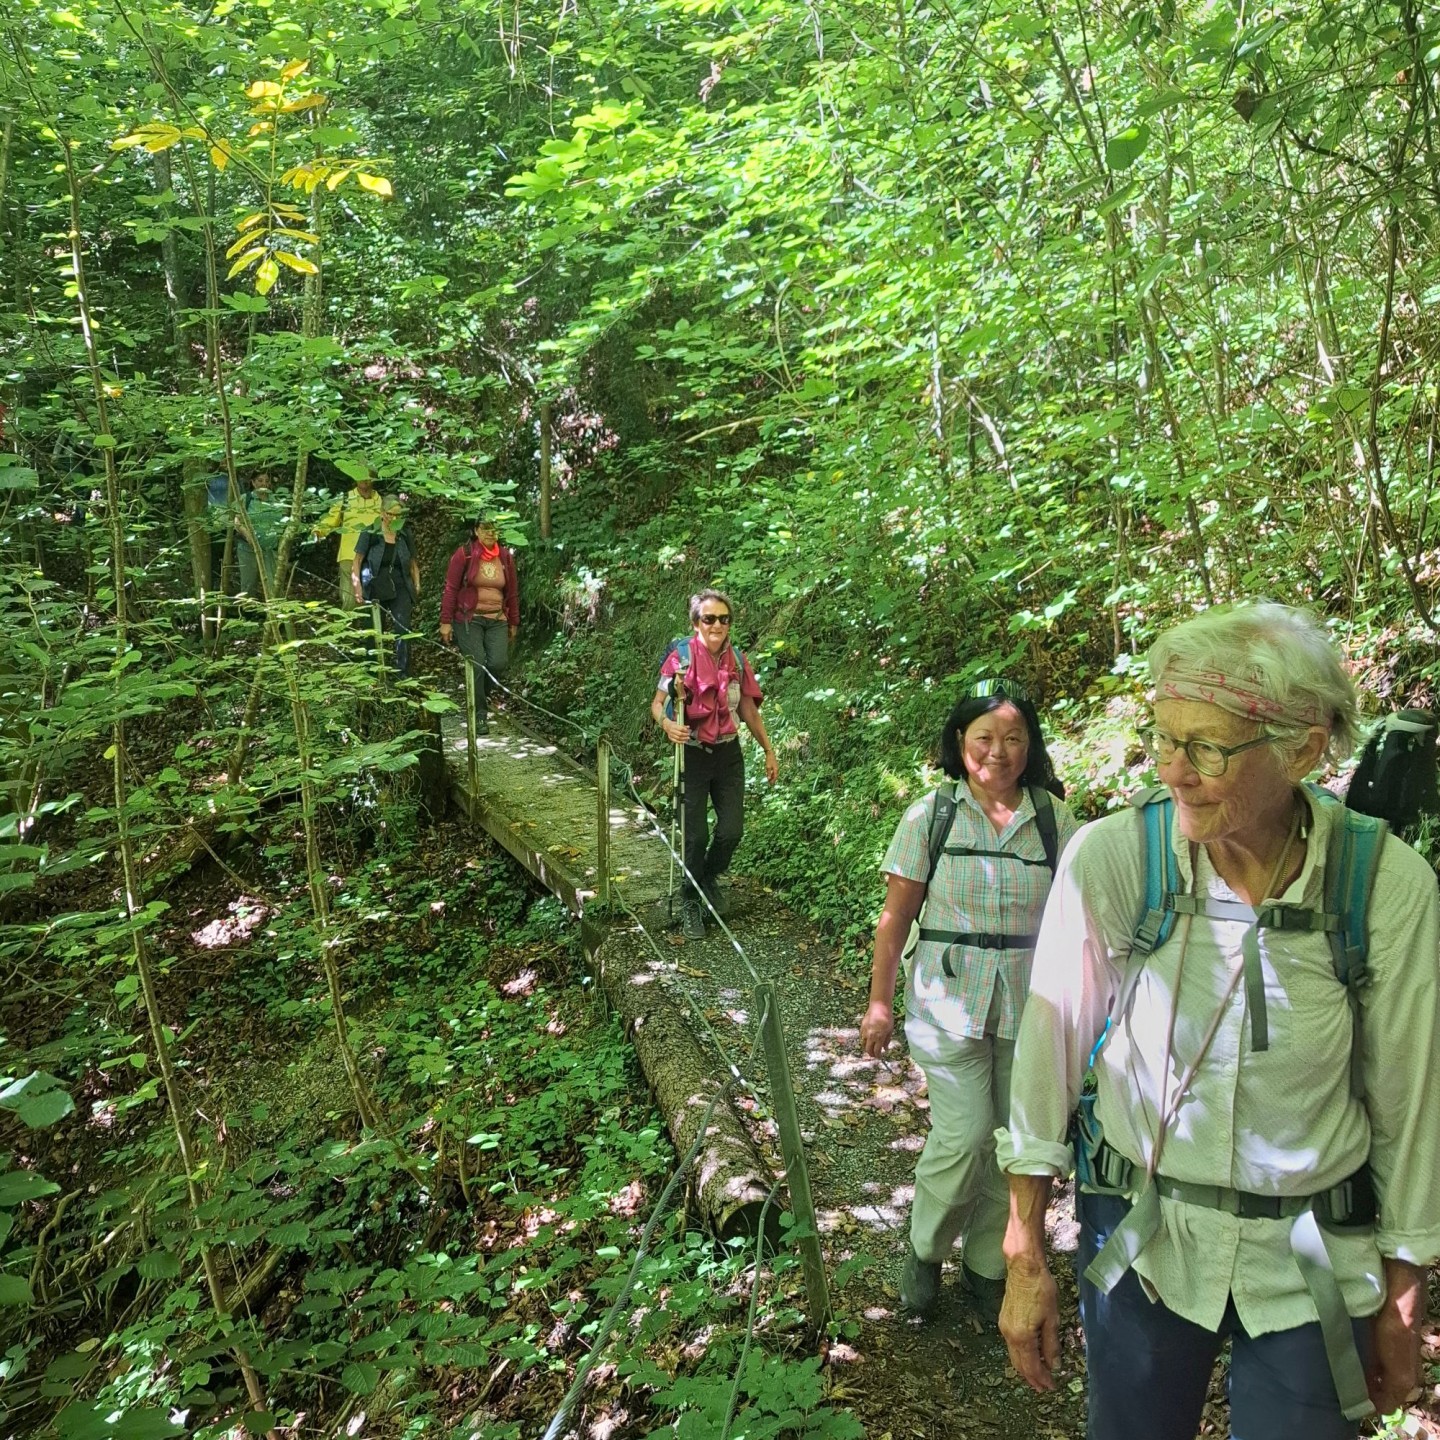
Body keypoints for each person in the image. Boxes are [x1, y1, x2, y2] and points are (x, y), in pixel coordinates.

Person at [997, 603, 1440, 1440]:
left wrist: (1403, 1290)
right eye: (1163, 739)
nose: (1172, 770)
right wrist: (1025, 1249)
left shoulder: (1386, 887)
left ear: (1303, 749)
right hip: (1145, 1242)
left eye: (1205, 748)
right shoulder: (1119, 857)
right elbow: (1045, 1057)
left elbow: (1413, 1101)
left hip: (1314, 1261)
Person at [860, 682, 1079, 1322]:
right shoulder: (932, 815)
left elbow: (1082, 921)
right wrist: (879, 1003)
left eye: (1013, 738)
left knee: (1012, 1142)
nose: (998, 751)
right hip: (944, 1000)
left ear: (1030, 746)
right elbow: (895, 919)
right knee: (966, 1135)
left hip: (1029, 1007)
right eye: (984, 737)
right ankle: (925, 1251)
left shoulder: (1053, 821)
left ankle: (986, 1266)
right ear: (961, 743)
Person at [651, 589, 778, 940]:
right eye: (709, 619)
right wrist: (667, 725)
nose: (717, 625)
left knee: (731, 831)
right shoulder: (681, 658)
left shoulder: (736, 658)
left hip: (728, 754)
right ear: (696, 623)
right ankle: (690, 899)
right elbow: (658, 704)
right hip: (691, 753)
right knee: (695, 836)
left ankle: (707, 876)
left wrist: (768, 749)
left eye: (724, 619)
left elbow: (748, 709)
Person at [439, 516, 519, 734]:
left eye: (494, 529)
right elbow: (451, 588)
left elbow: (511, 592)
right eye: (485, 528)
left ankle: (479, 695)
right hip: (468, 618)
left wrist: (514, 621)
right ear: (476, 530)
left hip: (497, 619)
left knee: (497, 663)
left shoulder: (504, 557)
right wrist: (445, 621)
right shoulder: (464, 554)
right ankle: (479, 715)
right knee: (478, 663)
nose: (490, 533)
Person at [352, 498, 421, 676]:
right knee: (375, 628)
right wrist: (357, 586)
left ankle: (403, 673)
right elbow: (357, 560)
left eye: (397, 515)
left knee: (403, 626)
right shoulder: (370, 532)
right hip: (375, 583)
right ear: (382, 513)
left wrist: (416, 584)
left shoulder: (405, 533)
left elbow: (413, 562)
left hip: (400, 583)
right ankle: (374, 671)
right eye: (390, 514)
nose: (393, 518)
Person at [314, 469, 388, 609]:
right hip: (349, 555)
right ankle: (347, 627)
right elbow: (331, 519)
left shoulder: (382, 502)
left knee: (372, 601)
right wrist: (318, 531)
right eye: (360, 475)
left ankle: (371, 629)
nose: (364, 479)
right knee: (349, 600)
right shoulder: (345, 499)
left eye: (368, 476)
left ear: (374, 479)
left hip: (374, 557)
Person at [236, 470, 286, 599]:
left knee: (273, 583)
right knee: (248, 582)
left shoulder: (276, 501)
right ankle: (247, 613)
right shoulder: (245, 499)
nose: (264, 483)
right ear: (253, 482)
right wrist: (248, 536)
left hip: (271, 549)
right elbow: (237, 522)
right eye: (260, 480)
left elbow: (283, 522)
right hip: (248, 548)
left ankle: (273, 613)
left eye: (267, 481)